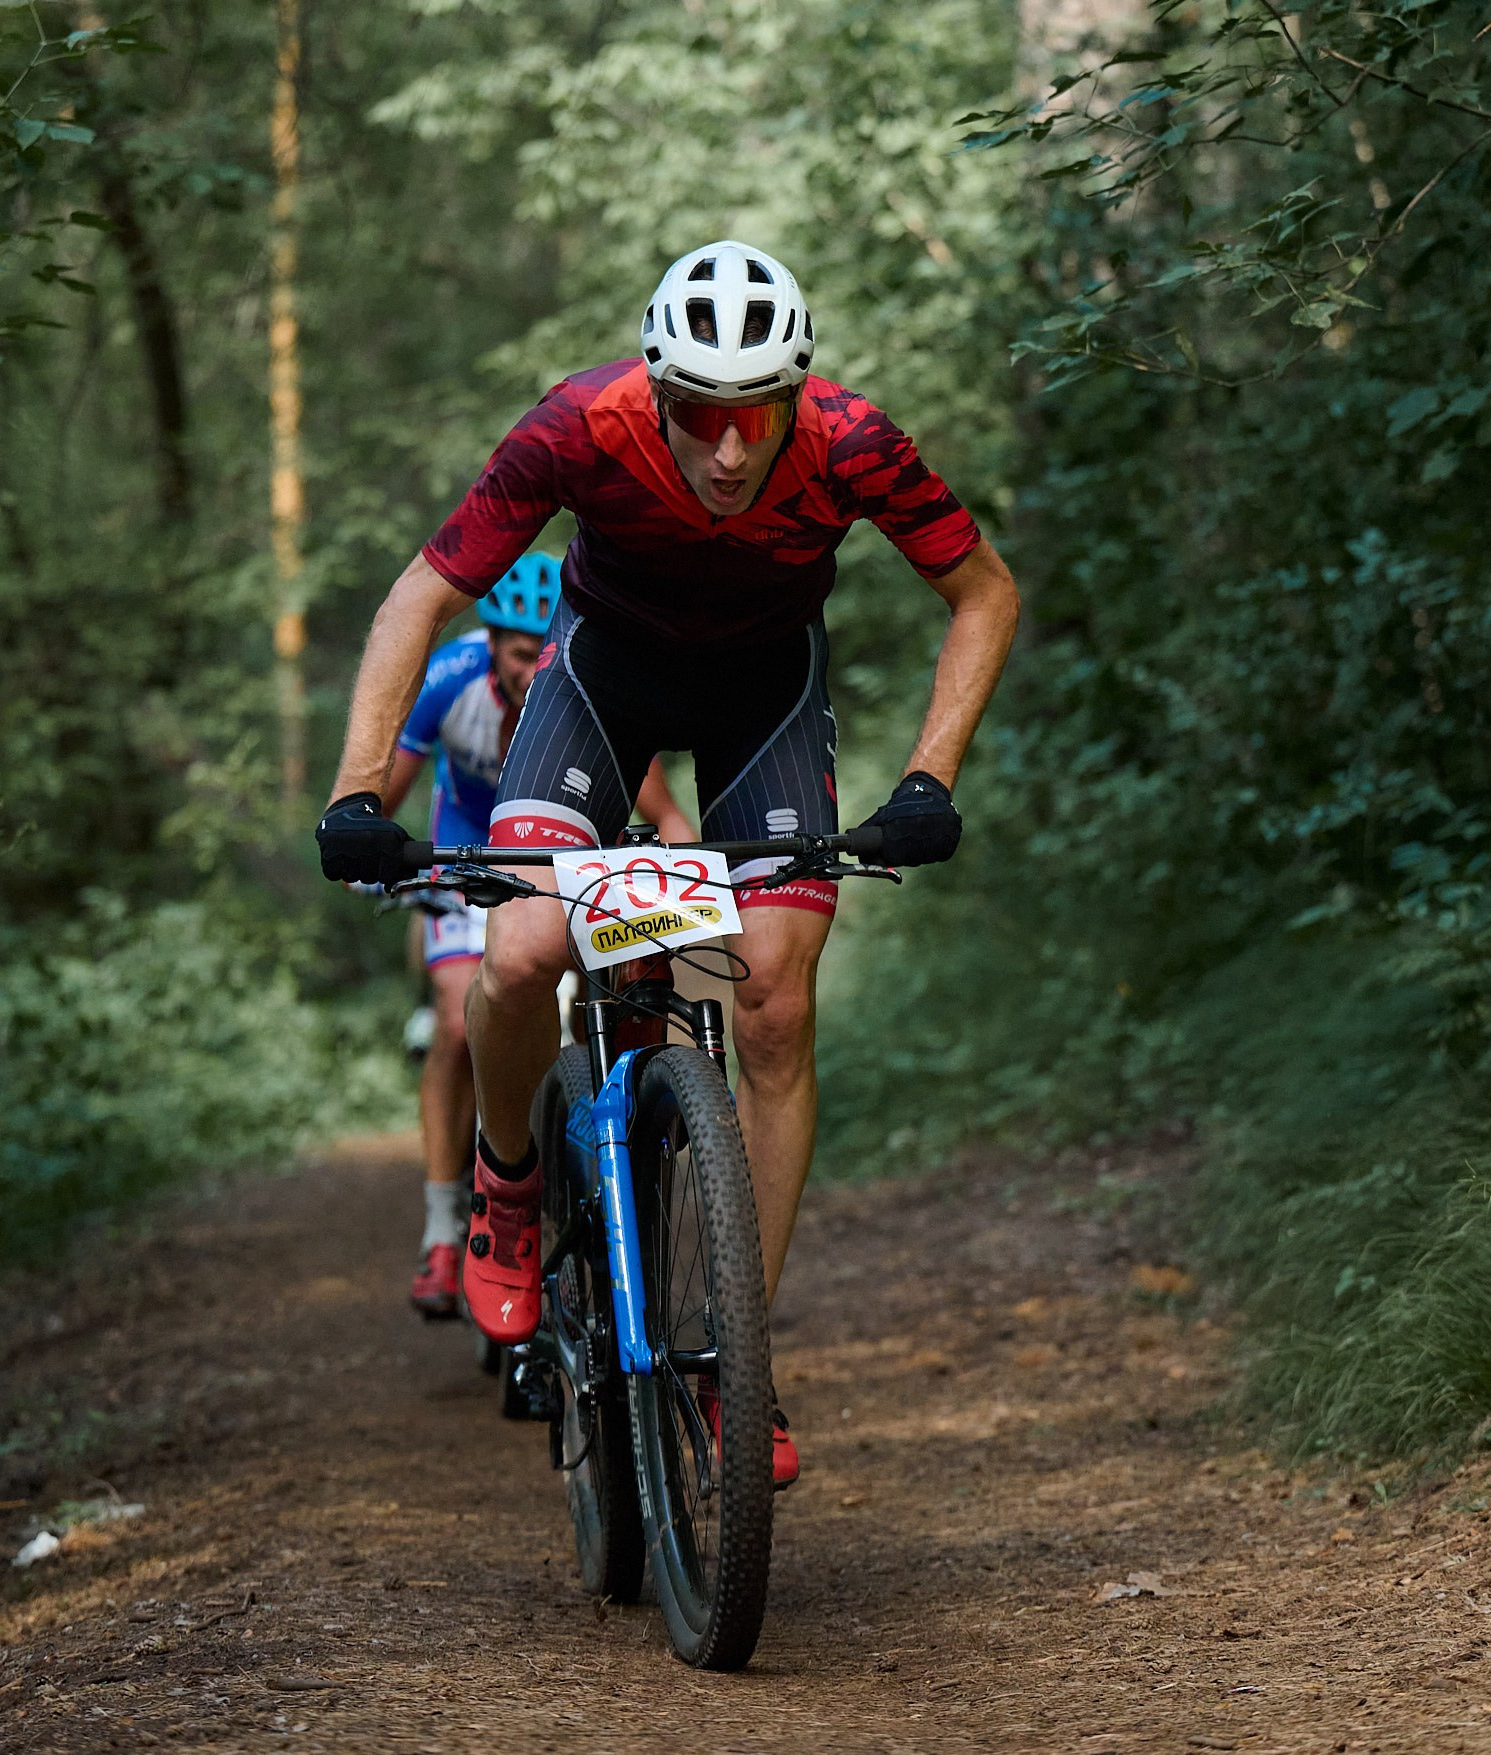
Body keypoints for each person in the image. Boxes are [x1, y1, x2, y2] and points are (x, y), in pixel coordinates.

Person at [317, 239, 1020, 1487]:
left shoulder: (856, 443)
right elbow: (419, 596)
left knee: (775, 1003)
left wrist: (929, 778)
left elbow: (983, 592)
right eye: (700, 413)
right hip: (605, 680)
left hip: (765, 692)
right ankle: (510, 1186)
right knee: (524, 949)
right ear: (657, 391)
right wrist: (356, 789)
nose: (732, 448)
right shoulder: (578, 428)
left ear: (797, 395)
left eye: (758, 412)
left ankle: (733, 1364)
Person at [374, 552, 691, 1319]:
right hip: (466, 850)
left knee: (604, 985)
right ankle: (447, 1227)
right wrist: (369, 843)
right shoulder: (450, 680)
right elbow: (384, 790)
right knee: (458, 1018)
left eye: (544, 647)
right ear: (492, 646)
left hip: (563, 854)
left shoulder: (583, 684)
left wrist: (692, 870)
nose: (534, 664)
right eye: (521, 650)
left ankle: (594, 1140)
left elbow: (666, 810)